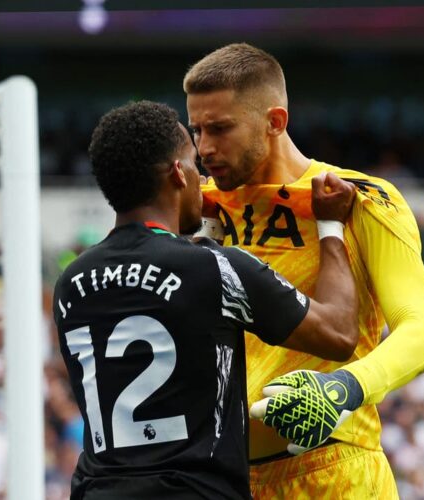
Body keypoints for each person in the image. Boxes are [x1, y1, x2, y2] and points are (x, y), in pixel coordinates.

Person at [53, 100, 362, 499]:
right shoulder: (214, 270)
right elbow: (338, 332)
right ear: (178, 173)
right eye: (195, 164)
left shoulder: (70, 283)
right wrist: (331, 224)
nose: (204, 178)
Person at [184, 43, 424, 498]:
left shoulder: (360, 198)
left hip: (334, 471)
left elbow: (419, 335)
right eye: (197, 130)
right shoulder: (203, 206)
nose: (205, 148)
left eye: (220, 129)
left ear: (275, 121)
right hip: (227, 478)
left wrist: (342, 390)